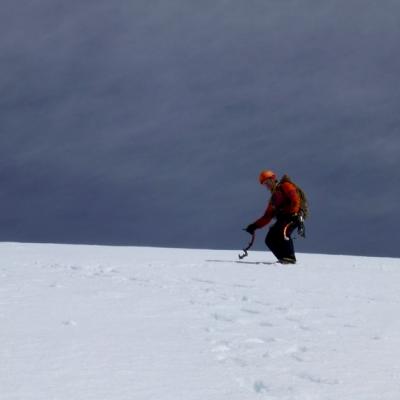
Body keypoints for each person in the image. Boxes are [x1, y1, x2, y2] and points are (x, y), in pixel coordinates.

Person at [245, 170, 302, 264]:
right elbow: (267, 216)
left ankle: (290, 258)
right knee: (269, 239)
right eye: (264, 184)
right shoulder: (274, 198)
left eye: (267, 182)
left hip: (294, 216)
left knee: (283, 232)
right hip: (285, 218)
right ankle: (283, 259)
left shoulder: (286, 186)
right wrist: (254, 226)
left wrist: (293, 213)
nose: (266, 185)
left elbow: (295, 200)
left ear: (272, 179)